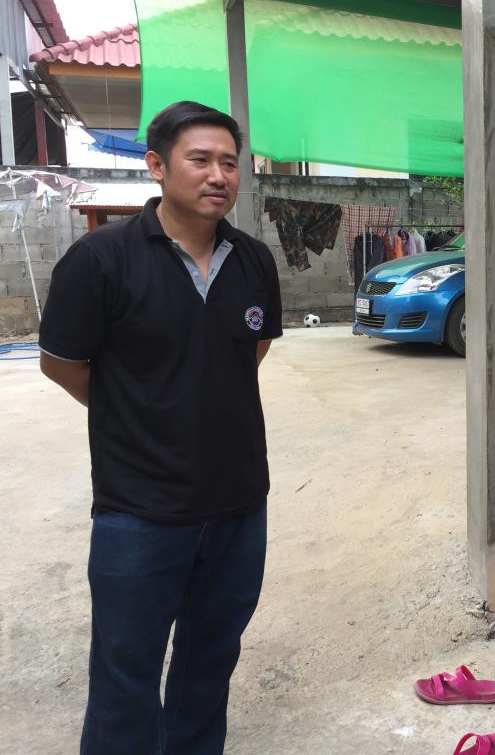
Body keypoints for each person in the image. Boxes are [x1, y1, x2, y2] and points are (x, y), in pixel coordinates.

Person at [38, 100, 282, 754]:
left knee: (210, 664)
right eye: (199, 159)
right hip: (139, 512)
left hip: (238, 506)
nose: (218, 175)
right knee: (126, 677)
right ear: (157, 165)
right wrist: (139, 412)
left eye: (229, 162)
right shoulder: (101, 259)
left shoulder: (254, 260)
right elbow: (61, 364)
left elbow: (249, 353)